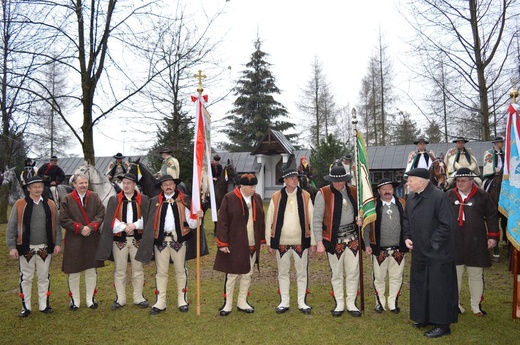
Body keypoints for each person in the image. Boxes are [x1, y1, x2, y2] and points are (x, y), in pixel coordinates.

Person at [135, 175, 202, 315]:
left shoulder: (184, 200)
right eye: (165, 184)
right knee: (161, 272)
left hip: (179, 239)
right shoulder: (155, 202)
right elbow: (147, 222)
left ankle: (182, 300)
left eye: (171, 184)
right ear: (161, 187)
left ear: (175, 185)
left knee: (180, 270)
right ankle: (160, 301)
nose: (168, 186)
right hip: (160, 240)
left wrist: (197, 216)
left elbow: (193, 224)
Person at [403, 168, 458, 338]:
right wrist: (407, 237)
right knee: (421, 285)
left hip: (438, 254)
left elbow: (446, 225)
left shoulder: (439, 197)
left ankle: (442, 324)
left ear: (421, 181)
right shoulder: (411, 197)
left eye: (410, 180)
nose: (408, 183)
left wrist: (432, 242)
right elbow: (406, 219)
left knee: (438, 289)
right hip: (419, 252)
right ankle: (423, 317)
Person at [446, 168, 498, 316]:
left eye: (463, 180)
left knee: (476, 274)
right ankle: (454, 304)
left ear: (471, 181)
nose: (460, 183)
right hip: (454, 241)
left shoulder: (482, 196)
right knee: (454, 274)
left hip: (476, 241)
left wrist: (492, 236)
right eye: (457, 180)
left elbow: (492, 216)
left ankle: (476, 305)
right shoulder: (449, 195)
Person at [6, 177, 61, 318]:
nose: (38, 189)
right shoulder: (19, 205)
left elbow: (57, 227)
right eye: (35, 187)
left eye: (40, 187)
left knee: (44, 277)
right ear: (28, 189)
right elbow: (11, 228)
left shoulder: (50, 205)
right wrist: (12, 246)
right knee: (26, 277)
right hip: (26, 248)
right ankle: (26, 306)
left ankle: (44, 305)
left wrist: (58, 244)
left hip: (44, 247)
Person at [313, 166, 363, 317]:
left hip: (353, 238)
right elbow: (316, 220)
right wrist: (319, 242)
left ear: (345, 180)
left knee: (353, 271)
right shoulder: (323, 193)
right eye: (335, 181)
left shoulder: (354, 191)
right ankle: (339, 303)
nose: (338, 184)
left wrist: (361, 220)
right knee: (336, 273)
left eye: (341, 181)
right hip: (333, 239)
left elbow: (362, 211)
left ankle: (351, 302)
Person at [96, 173, 150, 310]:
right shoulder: (114, 200)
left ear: (134, 185)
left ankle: (138, 297)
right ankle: (120, 298)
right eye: (124, 183)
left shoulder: (143, 199)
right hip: (119, 241)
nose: (125, 186)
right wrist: (124, 227)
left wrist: (135, 225)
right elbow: (110, 219)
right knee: (120, 270)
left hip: (137, 240)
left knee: (138, 269)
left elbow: (148, 218)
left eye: (128, 183)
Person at [213, 173, 266, 316]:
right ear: (242, 186)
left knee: (248, 274)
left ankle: (242, 301)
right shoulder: (229, 198)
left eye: (254, 186)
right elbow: (222, 221)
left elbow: (261, 221)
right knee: (232, 275)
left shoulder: (258, 199)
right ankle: (228, 304)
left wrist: (261, 240)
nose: (253, 189)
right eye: (250, 187)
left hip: (252, 243)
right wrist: (223, 243)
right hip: (234, 243)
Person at [265, 168, 316, 315]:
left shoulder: (305, 196)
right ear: (285, 181)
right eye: (292, 178)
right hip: (281, 241)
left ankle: (302, 302)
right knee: (283, 272)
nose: (295, 180)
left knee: (302, 273)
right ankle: (284, 302)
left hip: (301, 240)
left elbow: (312, 219)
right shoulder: (276, 197)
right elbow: (269, 219)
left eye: (296, 177)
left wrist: (313, 242)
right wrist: (269, 241)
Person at [59, 174, 105, 310]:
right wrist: (80, 228)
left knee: (91, 270)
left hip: (92, 238)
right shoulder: (67, 199)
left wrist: (91, 227)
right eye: (81, 183)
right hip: (74, 239)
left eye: (85, 182)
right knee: (73, 271)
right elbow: (63, 219)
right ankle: (75, 300)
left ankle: (90, 299)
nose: (84, 185)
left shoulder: (95, 197)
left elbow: (101, 214)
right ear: (74, 184)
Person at [364, 178, 407, 314]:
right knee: (379, 277)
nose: (387, 191)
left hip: (398, 248)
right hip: (379, 249)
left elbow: (408, 223)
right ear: (379, 191)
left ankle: (393, 303)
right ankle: (380, 303)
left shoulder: (402, 203)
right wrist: (367, 244)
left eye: (389, 188)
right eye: (384, 189)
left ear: (393, 190)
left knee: (396, 277)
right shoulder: (373, 206)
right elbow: (366, 227)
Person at [482, 136, 508, 262]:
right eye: (499, 142)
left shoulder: (506, 153)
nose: (501, 144)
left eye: (502, 142)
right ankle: (484, 201)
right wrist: (494, 170)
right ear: (495, 143)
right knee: (484, 186)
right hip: (493, 176)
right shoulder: (489, 153)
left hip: (505, 177)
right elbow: (487, 165)